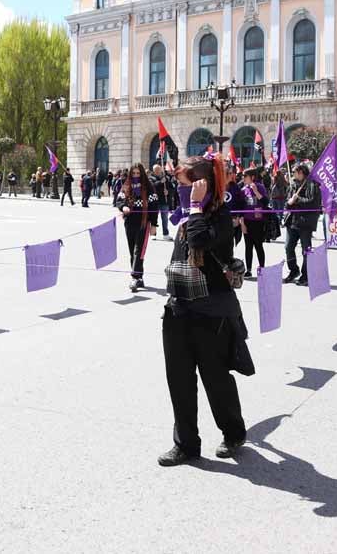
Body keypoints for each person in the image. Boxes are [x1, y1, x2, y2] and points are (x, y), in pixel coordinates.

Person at [159, 154, 250, 466]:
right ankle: (186, 444)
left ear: (202, 184)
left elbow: (199, 239)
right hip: (179, 307)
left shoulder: (219, 215)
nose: (181, 189)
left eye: (186, 183)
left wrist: (196, 206)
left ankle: (233, 432)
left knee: (215, 378)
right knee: (179, 379)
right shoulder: (187, 215)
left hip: (211, 311)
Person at [116, 163, 158, 292]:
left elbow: (154, 206)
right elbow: (119, 200)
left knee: (139, 251)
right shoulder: (126, 186)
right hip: (129, 222)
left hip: (143, 223)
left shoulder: (149, 187)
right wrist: (124, 207)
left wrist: (154, 225)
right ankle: (139, 277)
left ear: (142, 174)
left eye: (138, 173)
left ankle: (135, 277)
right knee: (132, 250)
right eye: (133, 173)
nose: (135, 176)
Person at [283, 165, 321, 287]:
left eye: (295, 172)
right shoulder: (293, 185)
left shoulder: (313, 186)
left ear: (301, 172)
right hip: (292, 222)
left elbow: (313, 202)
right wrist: (289, 203)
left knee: (306, 250)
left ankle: (306, 275)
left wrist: (297, 199)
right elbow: (287, 203)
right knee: (288, 247)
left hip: (305, 223)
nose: (293, 174)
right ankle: (294, 270)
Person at [239, 167, 270, 278]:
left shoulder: (260, 187)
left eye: (245, 176)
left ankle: (262, 267)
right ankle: (248, 269)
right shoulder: (243, 190)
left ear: (252, 177)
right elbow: (241, 208)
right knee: (248, 246)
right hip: (247, 221)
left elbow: (266, 202)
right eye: (242, 176)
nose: (243, 178)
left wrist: (256, 191)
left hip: (258, 221)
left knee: (258, 245)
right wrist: (242, 223)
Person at [151, 164, 172, 239]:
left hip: (164, 201)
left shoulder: (166, 178)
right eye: (156, 170)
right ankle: (153, 234)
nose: (158, 171)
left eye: (159, 170)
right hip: (154, 201)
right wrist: (160, 182)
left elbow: (171, 187)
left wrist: (168, 192)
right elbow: (152, 186)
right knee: (154, 218)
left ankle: (165, 234)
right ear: (153, 171)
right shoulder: (151, 178)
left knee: (165, 219)